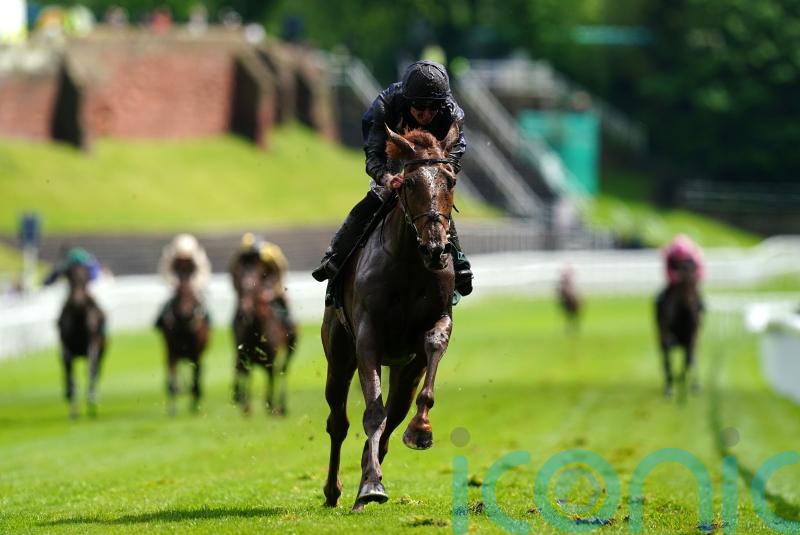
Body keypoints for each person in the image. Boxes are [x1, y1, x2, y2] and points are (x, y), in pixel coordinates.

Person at [311, 60, 473, 298]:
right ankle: (335, 256)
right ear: (408, 103)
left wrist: (446, 169)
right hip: (392, 162)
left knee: (432, 199)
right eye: (420, 108)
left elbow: (458, 146)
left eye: (433, 109)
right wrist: (386, 178)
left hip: (433, 163)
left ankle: (458, 261)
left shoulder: (451, 112)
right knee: (379, 195)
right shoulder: (386, 106)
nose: (427, 115)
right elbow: (373, 156)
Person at [229, 233, 294, 335]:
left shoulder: (271, 255)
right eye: (248, 258)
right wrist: (241, 294)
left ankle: (289, 330)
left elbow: (280, 272)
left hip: (270, 279)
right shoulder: (239, 259)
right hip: (251, 285)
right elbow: (234, 276)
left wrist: (272, 291)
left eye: (254, 257)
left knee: (282, 306)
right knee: (238, 313)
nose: (251, 261)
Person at [154, 233, 211, 330]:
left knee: (203, 306)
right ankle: (160, 321)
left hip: (192, 286)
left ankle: (209, 321)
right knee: (168, 304)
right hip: (177, 285)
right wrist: (174, 283)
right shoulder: (171, 256)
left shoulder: (198, 258)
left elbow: (203, 272)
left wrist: (194, 285)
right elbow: (165, 271)